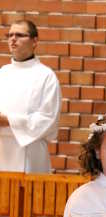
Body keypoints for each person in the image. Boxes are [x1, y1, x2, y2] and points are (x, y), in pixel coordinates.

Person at [0, 19, 61, 172]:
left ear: (34, 41)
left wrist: (9, 121)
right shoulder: (3, 73)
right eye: (10, 35)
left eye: (19, 35)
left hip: (30, 151)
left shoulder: (46, 76)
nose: (13, 39)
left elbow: (48, 119)